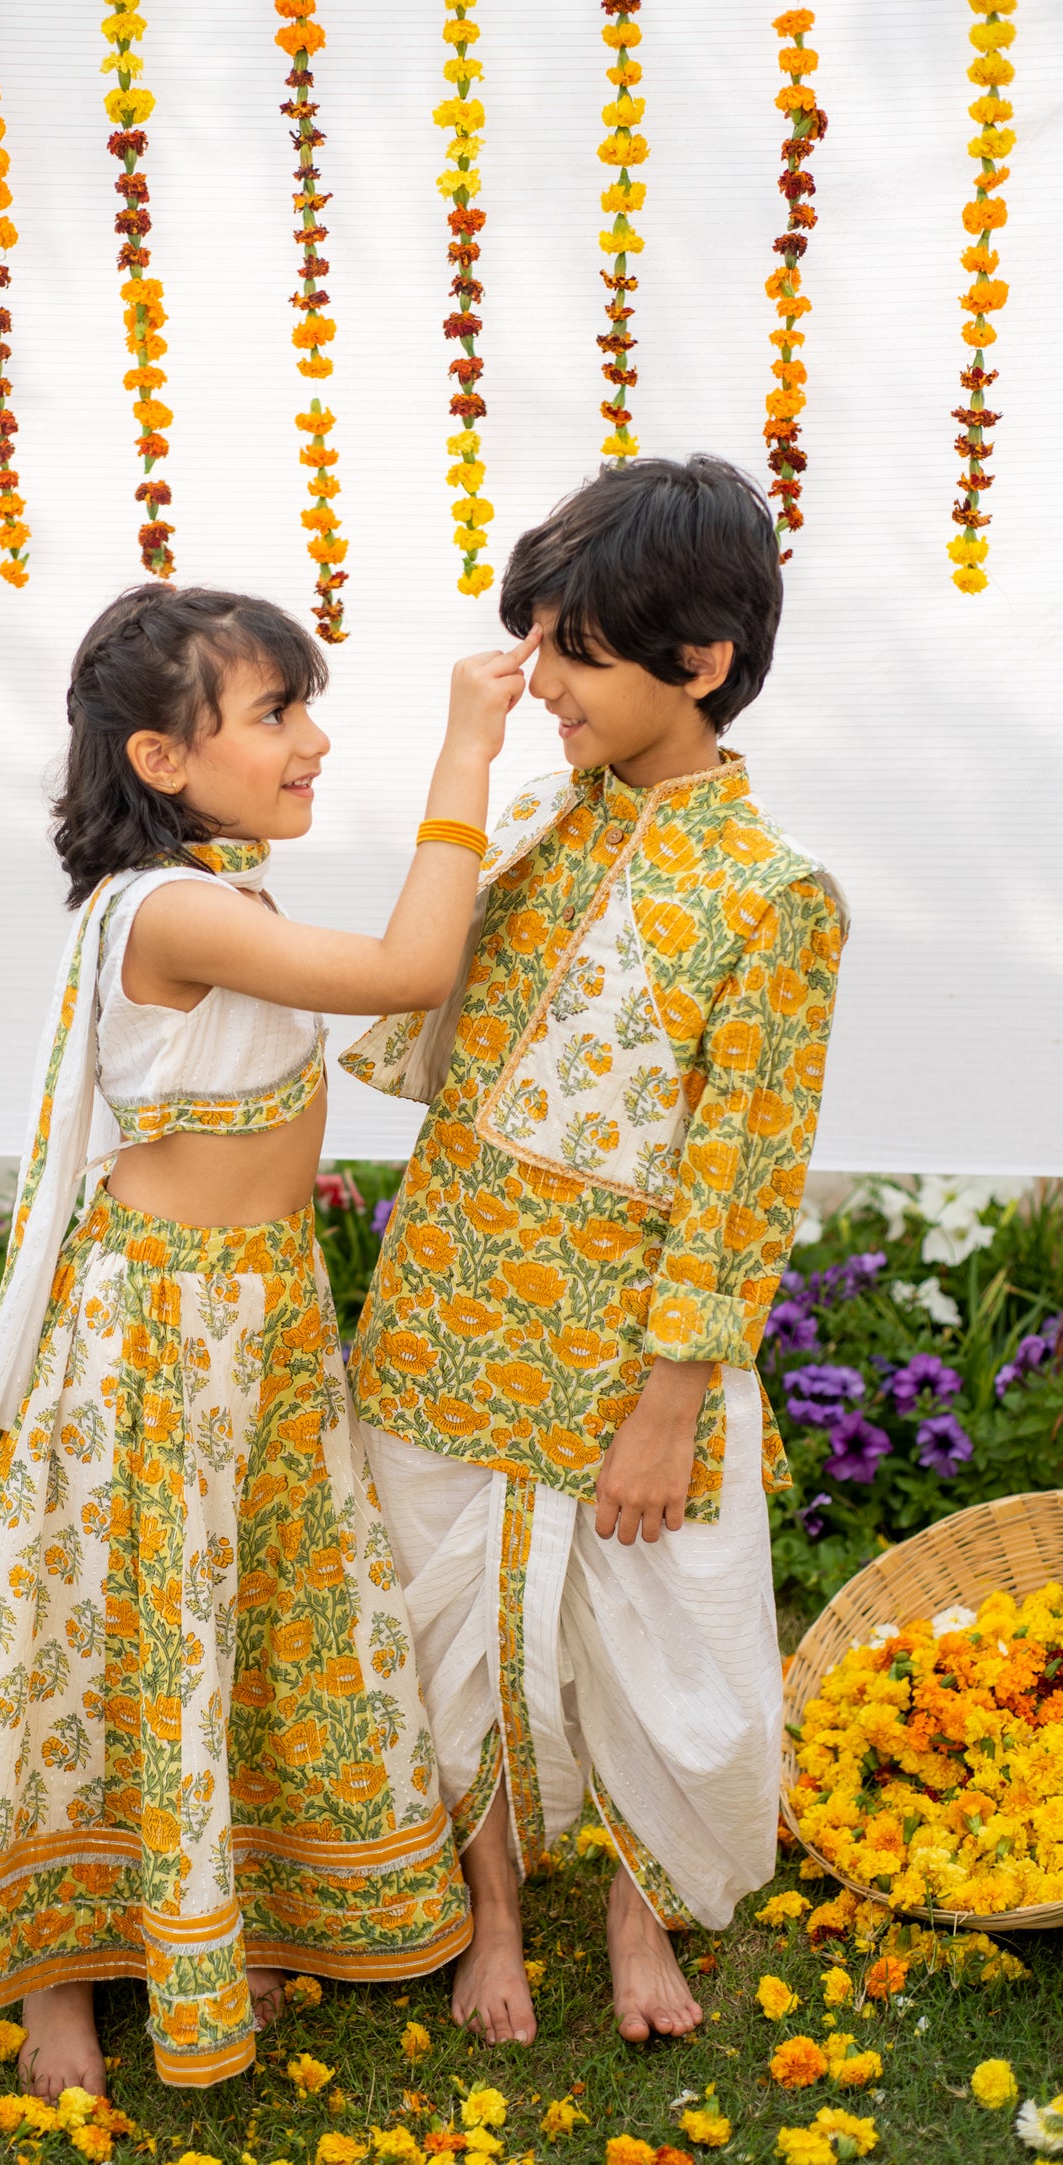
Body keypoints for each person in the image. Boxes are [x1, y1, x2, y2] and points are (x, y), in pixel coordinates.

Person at [0, 582, 540, 2095]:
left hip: (259, 1316)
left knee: (244, 1619)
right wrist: (464, 755)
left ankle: (227, 1905)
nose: (310, 742)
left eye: (304, 708)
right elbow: (410, 970)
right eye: (276, 714)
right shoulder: (172, 912)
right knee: (112, 1637)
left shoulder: (225, 896)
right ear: (162, 759)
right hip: (165, 1330)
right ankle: (56, 1980)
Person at [341, 455, 848, 2050]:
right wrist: (471, 762)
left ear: (695, 665)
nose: (542, 680)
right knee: (451, 1623)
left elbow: (742, 1172)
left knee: (659, 1628)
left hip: (626, 1342)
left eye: (576, 651)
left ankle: (638, 1914)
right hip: (444, 1297)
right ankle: (491, 1907)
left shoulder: (772, 898)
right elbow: (401, 1014)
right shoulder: (541, 836)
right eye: (538, 639)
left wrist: (669, 1397)